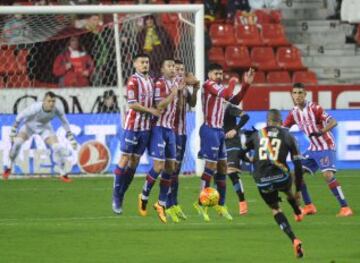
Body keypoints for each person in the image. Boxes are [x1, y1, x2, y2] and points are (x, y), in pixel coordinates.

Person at [194, 64, 254, 222]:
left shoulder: (219, 90)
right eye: (216, 73)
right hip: (210, 130)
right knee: (211, 166)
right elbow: (228, 93)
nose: (219, 76)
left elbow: (235, 99)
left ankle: (221, 204)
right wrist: (234, 80)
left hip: (219, 132)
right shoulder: (209, 85)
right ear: (209, 74)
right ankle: (200, 203)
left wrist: (246, 84)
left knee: (222, 168)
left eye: (221, 73)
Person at [241, 109, 304, 259]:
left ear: (267, 121)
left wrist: (250, 160)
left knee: (275, 209)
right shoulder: (288, 136)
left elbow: (239, 153)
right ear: (281, 122)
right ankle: (297, 210)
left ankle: (294, 239)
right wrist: (298, 190)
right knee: (288, 186)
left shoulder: (257, 134)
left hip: (262, 180)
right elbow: (299, 166)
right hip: (282, 177)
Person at [283, 82, 353, 217]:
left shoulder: (315, 108)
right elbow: (283, 129)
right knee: (296, 174)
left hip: (326, 145)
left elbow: (333, 122)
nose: (297, 96)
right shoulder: (293, 113)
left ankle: (345, 208)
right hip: (313, 148)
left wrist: (321, 132)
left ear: (305, 94)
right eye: (295, 93)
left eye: (300, 93)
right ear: (292, 95)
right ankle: (309, 206)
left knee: (327, 175)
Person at [112, 53, 160, 215]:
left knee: (134, 162)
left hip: (146, 128)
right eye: (142, 62)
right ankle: (116, 196)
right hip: (132, 126)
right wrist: (151, 110)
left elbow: (155, 101)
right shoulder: (133, 80)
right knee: (125, 158)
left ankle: (121, 193)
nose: (145, 65)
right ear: (135, 64)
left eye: (147, 62)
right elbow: (132, 104)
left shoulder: (151, 80)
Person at [138, 58, 185, 224]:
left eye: (174, 66)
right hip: (158, 128)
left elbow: (187, 79)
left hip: (170, 130)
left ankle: (161, 203)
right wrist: (174, 93)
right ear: (162, 69)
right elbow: (159, 106)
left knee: (171, 168)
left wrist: (193, 82)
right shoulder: (159, 84)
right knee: (158, 166)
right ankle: (144, 194)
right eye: (169, 66)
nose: (173, 69)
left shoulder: (176, 82)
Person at [3, 91, 77, 183]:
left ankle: (63, 174)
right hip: (29, 126)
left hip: (45, 128)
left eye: (53, 101)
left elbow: (65, 122)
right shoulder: (36, 108)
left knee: (56, 147)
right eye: (49, 101)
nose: (51, 103)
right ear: (44, 101)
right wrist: (14, 129)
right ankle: (9, 166)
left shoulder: (57, 110)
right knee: (17, 143)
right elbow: (20, 116)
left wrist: (70, 137)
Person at [165, 60, 200, 222]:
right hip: (171, 132)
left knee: (176, 170)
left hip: (182, 132)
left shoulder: (184, 88)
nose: (179, 72)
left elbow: (192, 104)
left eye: (182, 69)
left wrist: (196, 89)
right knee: (171, 168)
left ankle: (174, 203)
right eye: (177, 69)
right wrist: (188, 79)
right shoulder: (170, 85)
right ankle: (167, 203)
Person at [223, 103, 250, 215]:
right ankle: (219, 205)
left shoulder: (229, 109)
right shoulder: (212, 108)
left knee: (232, 173)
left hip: (232, 143)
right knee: (218, 175)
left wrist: (235, 129)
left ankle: (242, 201)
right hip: (221, 144)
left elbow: (245, 116)